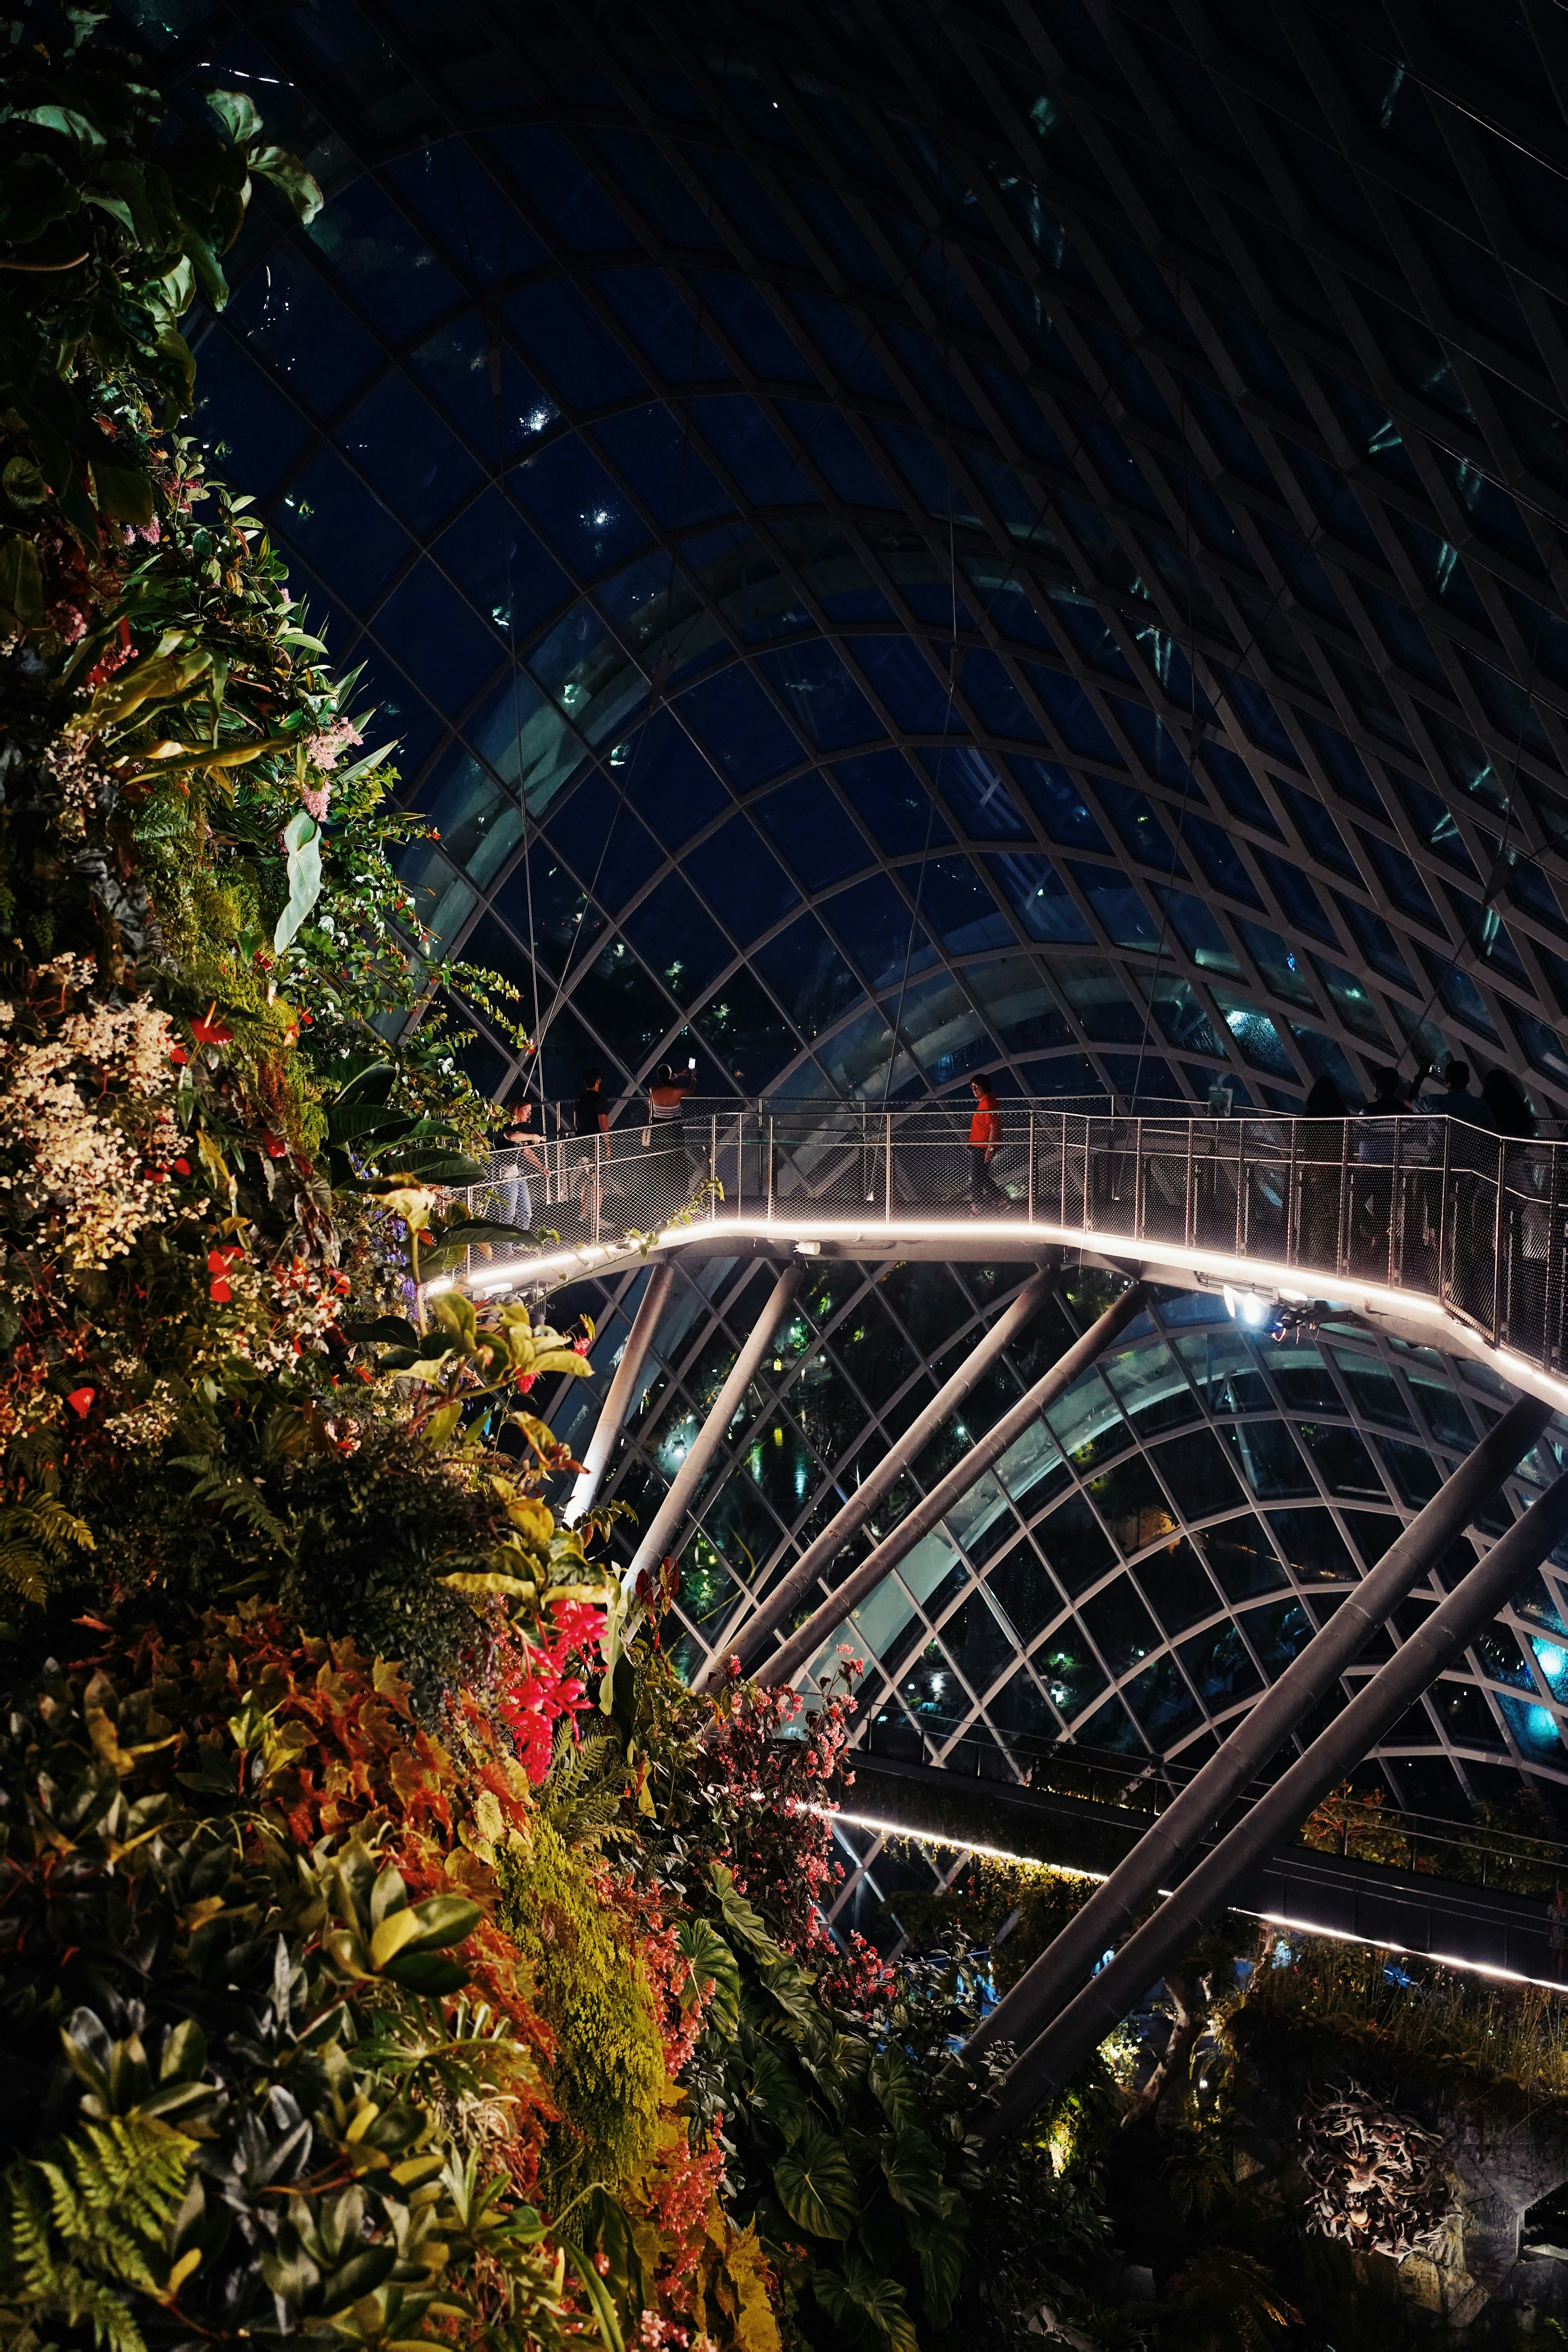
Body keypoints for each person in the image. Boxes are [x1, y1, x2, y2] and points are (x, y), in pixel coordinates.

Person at [1296, 1074, 1346, 1271]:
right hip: (1336, 1175)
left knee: (1314, 1218)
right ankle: (1334, 1258)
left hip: (1315, 1175)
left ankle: (1312, 1258)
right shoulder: (1341, 1116)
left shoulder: (1310, 1118)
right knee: (1335, 1218)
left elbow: (1307, 1147)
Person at [646, 1060, 695, 1215]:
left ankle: (657, 1204)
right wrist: (693, 1077)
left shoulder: (653, 1090)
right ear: (669, 1075)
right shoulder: (678, 1092)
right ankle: (679, 1201)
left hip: (658, 1131)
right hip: (674, 1131)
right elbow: (691, 1090)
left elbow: (664, 1081)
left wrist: (675, 1076)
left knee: (658, 1167)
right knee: (678, 1165)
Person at [497, 1094, 543, 1230]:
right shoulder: (504, 1124)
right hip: (505, 1173)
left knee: (526, 1211)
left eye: (530, 1111)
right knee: (508, 1214)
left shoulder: (521, 1129)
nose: (529, 1114)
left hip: (517, 1172)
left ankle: (522, 1244)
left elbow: (527, 1151)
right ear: (517, 1109)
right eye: (527, 1110)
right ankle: (507, 1250)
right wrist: (533, 1136)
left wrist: (541, 1167)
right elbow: (511, 1137)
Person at [573, 1067, 609, 1222]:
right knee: (598, 1182)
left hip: (581, 1142)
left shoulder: (579, 1098)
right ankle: (596, 1217)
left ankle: (583, 1213)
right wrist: (607, 1146)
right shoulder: (599, 1099)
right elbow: (603, 1125)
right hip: (596, 1145)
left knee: (586, 1180)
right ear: (598, 1081)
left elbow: (575, 1123)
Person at [968, 1075, 1005, 1213]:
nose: (974, 1090)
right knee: (980, 1175)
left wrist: (990, 1148)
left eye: (977, 1087)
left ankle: (978, 1206)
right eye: (972, 1087)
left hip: (983, 1146)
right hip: (980, 1145)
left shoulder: (988, 1101)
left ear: (984, 1086)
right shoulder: (985, 1100)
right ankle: (999, 1200)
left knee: (976, 1176)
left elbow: (993, 1126)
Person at [1419, 1058, 1492, 1129]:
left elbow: (1410, 1102)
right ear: (1468, 1080)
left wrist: (1419, 1077)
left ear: (1447, 1080)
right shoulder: (1481, 1106)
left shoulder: (1433, 1102)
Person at [1550, 1887, 1566, 1981]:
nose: (1560, 1896)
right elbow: (1549, 1919)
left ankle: (1560, 1974)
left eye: (1562, 1895)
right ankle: (1553, 1971)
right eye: (1558, 1895)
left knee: (1561, 1953)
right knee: (1554, 1952)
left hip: (1563, 1934)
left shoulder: (1566, 1909)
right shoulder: (1552, 1908)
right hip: (1555, 1932)